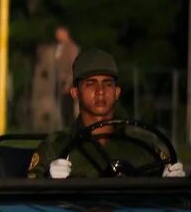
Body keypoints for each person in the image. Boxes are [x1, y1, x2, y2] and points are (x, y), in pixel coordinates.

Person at [29, 49, 184, 178]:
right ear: (75, 93)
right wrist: (48, 181)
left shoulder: (141, 144)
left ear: (117, 92)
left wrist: (170, 182)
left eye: (107, 84)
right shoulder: (56, 146)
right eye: (91, 84)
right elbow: (30, 194)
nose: (100, 91)